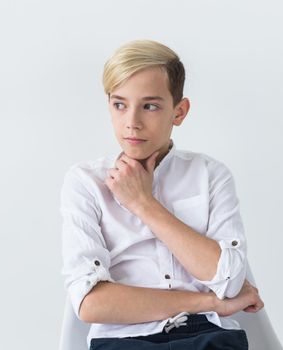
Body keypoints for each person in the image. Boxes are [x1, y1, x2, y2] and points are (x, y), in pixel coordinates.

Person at [60, 39, 264, 350]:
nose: (132, 122)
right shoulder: (85, 183)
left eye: (150, 106)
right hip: (123, 338)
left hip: (208, 335)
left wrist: (143, 204)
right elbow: (91, 303)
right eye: (120, 104)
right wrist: (208, 301)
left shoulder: (210, 175)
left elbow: (230, 280)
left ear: (179, 112)